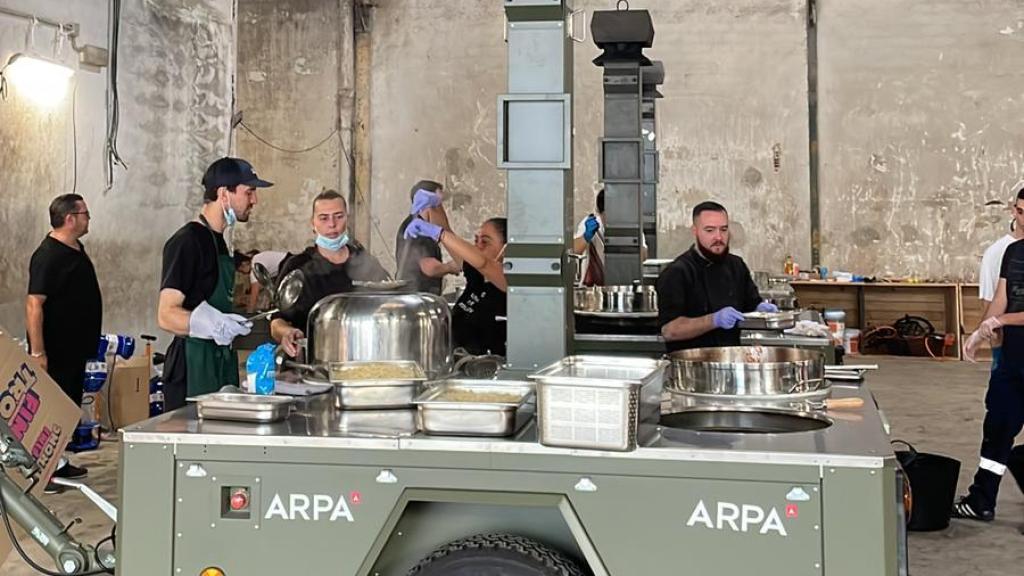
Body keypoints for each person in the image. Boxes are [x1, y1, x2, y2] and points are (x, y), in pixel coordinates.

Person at [158, 157, 271, 410]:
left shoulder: (219, 241)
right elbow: (166, 315)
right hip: (193, 365)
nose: (255, 200)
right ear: (224, 193)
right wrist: (214, 324)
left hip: (220, 360)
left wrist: (227, 322)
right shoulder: (187, 242)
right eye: (249, 192)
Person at [26, 194, 102, 489]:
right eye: (85, 213)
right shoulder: (48, 256)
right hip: (55, 350)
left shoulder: (74, 247)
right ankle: (42, 472)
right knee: (52, 410)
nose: (88, 218)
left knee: (68, 408)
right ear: (70, 218)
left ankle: (57, 462)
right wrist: (37, 351)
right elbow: (34, 304)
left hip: (74, 349)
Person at [957, 223, 1024, 521]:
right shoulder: (1014, 251)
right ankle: (981, 500)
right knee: (997, 427)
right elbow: (1001, 297)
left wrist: (1002, 321)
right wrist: (979, 332)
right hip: (1011, 360)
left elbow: (1006, 314)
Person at [271, 190, 389, 357]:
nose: (332, 224)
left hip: (362, 358)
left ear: (347, 219)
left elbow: (388, 303)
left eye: (338, 216)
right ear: (313, 223)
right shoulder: (298, 267)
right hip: (312, 361)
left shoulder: (366, 263)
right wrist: (286, 332)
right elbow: (276, 321)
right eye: (324, 218)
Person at [656, 201, 776, 353]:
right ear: (695, 231)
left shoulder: (736, 266)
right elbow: (670, 331)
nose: (718, 237)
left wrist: (761, 309)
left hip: (730, 360)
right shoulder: (677, 272)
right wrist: (713, 320)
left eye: (723, 230)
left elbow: (750, 304)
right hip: (691, 364)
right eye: (710, 230)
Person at [403, 203, 508, 356]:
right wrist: (434, 204)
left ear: (505, 249)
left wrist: (440, 234)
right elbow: (448, 233)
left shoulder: (508, 280)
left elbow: (484, 262)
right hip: (455, 360)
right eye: (476, 240)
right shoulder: (476, 274)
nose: (477, 246)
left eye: (485, 241)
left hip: (486, 368)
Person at [976, 188, 1024, 370]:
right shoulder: (998, 252)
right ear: (1014, 210)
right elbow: (991, 302)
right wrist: (993, 347)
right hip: (1010, 348)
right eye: (1020, 212)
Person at [571, 189, 648, 286]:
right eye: (607, 216)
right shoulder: (591, 223)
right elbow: (574, 251)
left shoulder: (631, 224)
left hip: (623, 286)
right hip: (595, 288)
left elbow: (644, 256)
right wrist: (586, 237)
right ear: (599, 213)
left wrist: (627, 241)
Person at [395, 180, 459, 294]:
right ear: (429, 206)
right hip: (417, 296)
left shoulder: (413, 225)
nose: (443, 212)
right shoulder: (417, 229)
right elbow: (429, 268)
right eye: (439, 206)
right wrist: (451, 267)